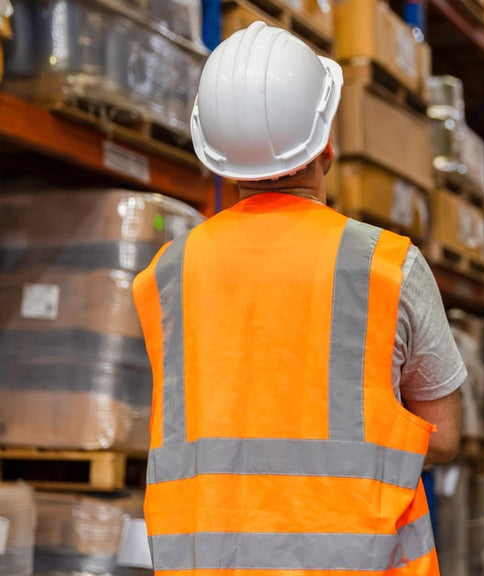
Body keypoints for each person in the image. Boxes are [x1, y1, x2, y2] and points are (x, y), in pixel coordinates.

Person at [132, 21, 463, 576]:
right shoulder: (388, 266)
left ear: (215, 155)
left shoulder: (165, 277)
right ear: (326, 143)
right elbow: (444, 435)